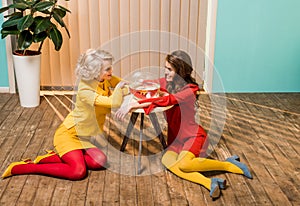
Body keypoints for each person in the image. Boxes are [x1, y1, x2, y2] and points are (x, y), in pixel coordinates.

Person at [115, 50, 252, 199]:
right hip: (175, 139)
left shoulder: (190, 89)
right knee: (166, 161)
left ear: (180, 71)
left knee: (184, 165)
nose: (165, 72)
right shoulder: (167, 83)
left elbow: (169, 100)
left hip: (192, 136)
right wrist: (126, 85)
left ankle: (227, 164)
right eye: (165, 68)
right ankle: (210, 182)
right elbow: (147, 85)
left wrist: (133, 105)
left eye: (169, 69)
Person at [2, 49, 128, 180]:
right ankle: (23, 167)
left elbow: (124, 84)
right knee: (78, 172)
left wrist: (129, 87)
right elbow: (114, 102)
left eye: (110, 67)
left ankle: (53, 157)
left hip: (84, 138)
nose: (111, 71)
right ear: (95, 71)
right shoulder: (85, 89)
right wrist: (120, 89)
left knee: (100, 162)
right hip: (68, 135)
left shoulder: (105, 79)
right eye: (107, 69)